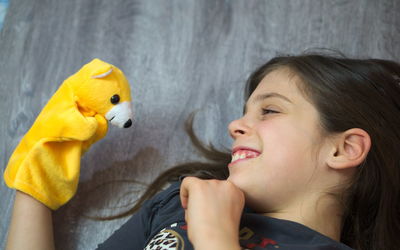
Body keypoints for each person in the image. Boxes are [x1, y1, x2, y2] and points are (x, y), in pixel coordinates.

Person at [5, 51, 400, 250]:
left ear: (344, 149)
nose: (235, 125)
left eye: (270, 110)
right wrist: (36, 182)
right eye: (245, 112)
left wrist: (214, 233)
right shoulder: (175, 204)